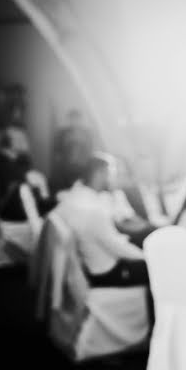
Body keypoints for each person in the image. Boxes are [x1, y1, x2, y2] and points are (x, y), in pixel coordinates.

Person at [53, 153, 148, 290]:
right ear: (100, 174)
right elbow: (117, 247)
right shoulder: (94, 209)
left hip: (92, 266)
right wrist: (146, 257)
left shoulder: (75, 197)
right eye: (111, 174)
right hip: (107, 273)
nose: (113, 179)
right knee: (156, 269)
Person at [51, 108, 95, 192]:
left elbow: (90, 151)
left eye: (77, 119)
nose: (75, 122)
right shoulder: (62, 134)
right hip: (65, 168)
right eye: (72, 119)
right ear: (69, 120)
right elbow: (57, 152)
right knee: (65, 189)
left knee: (80, 189)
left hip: (83, 167)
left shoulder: (87, 134)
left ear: (80, 120)